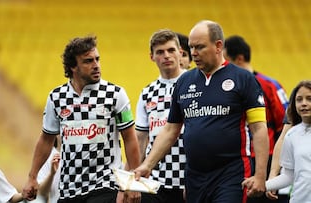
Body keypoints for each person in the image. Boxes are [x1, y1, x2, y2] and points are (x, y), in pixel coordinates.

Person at [134, 20, 269, 203]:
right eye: (191, 47)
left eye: (199, 47)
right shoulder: (184, 82)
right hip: (194, 176)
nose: (193, 53)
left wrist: (260, 175)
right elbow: (170, 130)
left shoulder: (243, 79)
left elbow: (259, 128)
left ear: (218, 46)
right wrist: (147, 165)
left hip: (231, 174)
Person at [22, 35, 141, 203]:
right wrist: (32, 177)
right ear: (73, 67)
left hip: (105, 185)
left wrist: (132, 183)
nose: (96, 65)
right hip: (68, 189)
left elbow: (130, 138)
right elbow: (46, 139)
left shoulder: (115, 94)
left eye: (97, 59)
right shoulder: (56, 97)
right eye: (88, 61)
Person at [223, 35, 289, 203]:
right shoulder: (225, 86)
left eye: (225, 59)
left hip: (265, 158)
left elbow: (286, 125)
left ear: (239, 59)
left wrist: (277, 164)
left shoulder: (269, 85)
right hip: (238, 159)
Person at [135, 29, 186, 203]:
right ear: (152, 57)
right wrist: (131, 181)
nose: (166, 56)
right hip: (155, 182)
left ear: (180, 53)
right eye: (160, 52)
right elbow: (140, 139)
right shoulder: (147, 93)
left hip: (190, 179)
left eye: (171, 50)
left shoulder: (197, 83)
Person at [250, 80, 311, 202]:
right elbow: (289, 175)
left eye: (309, 98)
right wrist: (265, 183)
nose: (304, 103)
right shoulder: (292, 135)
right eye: (299, 100)